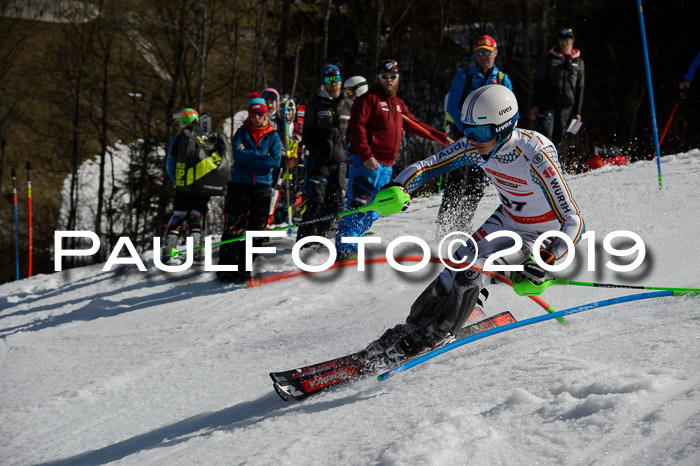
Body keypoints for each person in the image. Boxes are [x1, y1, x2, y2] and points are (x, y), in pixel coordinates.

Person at [364, 84, 585, 361]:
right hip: (506, 219)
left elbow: (573, 220)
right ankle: (413, 327)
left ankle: (440, 334)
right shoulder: (476, 146)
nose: (472, 139)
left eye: (480, 132)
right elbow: (429, 164)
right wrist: (399, 186)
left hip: (539, 236)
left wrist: (544, 261)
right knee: (454, 266)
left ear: (504, 127)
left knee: (474, 271)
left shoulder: (535, 155)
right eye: (467, 130)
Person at [335, 59, 453, 260]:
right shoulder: (368, 99)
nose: (389, 81)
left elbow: (416, 125)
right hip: (367, 163)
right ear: (378, 78)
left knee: (378, 208)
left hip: (387, 167)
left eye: (392, 77)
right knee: (359, 206)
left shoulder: (397, 104)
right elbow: (357, 128)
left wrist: (443, 139)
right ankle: (345, 248)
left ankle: (355, 242)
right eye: (384, 77)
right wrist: (366, 155)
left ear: (397, 78)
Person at [439, 34, 514, 236]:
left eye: (487, 53)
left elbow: (508, 108)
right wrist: (467, 130)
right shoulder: (463, 75)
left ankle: (462, 225)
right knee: (455, 182)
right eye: (479, 53)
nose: (483, 56)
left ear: (495, 53)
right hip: (463, 137)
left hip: (488, 140)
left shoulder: (501, 79)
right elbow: (453, 105)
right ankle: (444, 228)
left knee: (476, 185)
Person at [217, 93, 282, 283]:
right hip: (240, 186)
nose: (257, 117)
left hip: (262, 187)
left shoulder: (273, 135)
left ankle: (244, 268)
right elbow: (238, 155)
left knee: (257, 229)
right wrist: (262, 155)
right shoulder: (241, 132)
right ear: (249, 114)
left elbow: (275, 160)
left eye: (261, 113)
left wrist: (252, 156)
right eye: (253, 114)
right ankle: (226, 268)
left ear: (265, 113)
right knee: (233, 227)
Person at [296, 64, 352, 242]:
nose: (333, 83)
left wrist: (348, 153)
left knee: (335, 202)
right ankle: (304, 240)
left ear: (341, 81)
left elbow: (352, 132)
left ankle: (321, 237)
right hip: (319, 161)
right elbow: (307, 134)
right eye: (329, 80)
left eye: (336, 79)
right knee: (315, 202)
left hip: (340, 161)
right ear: (324, 82)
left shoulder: (348, 104)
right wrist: (316, 152)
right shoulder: (315, 103)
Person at [162, 108, 209, 263]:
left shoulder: (178, 140)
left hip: (183, 185)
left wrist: (177, 179)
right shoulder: (205, 137)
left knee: (179, 216)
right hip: (202, 187)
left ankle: (169, 250)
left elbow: (170, 163)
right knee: (196, 216)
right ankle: (195, 249)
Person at [530, 27, 584, 146]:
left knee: (558, 138)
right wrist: (534, 104)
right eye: (561, 39)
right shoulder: (548, 59)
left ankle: (555, 163)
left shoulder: (578, 62)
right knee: (545, 135)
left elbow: (580, 88)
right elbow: (538, 82)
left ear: (572, 40)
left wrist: (577, 112)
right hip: (547, 104)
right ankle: (541, 162)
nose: (564, 42)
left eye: (567, 39)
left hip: (566, 106)